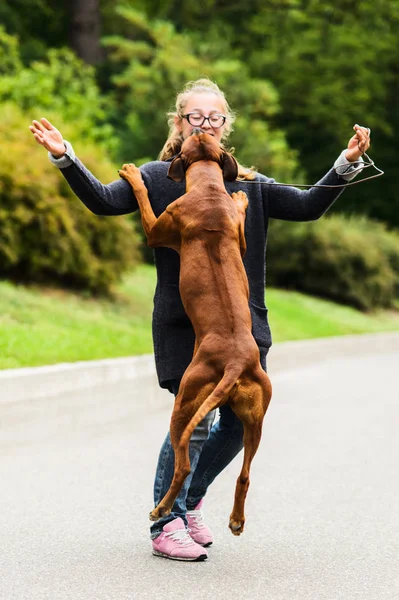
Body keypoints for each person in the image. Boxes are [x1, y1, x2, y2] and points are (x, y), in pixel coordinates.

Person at [29, 78, 371, 562]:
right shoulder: (154, 176)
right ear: (179, 121)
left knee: (238, 423)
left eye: (214, 117)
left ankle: (189, 502)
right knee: (199, 422)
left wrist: (347, 162)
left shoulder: (248, 184)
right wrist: (66, 156)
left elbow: (309, 205)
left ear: (225, 125)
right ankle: (165, 522)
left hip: (244, 330)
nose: (205, 123)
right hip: (183, 325)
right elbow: (105, 201)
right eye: (196, 116)